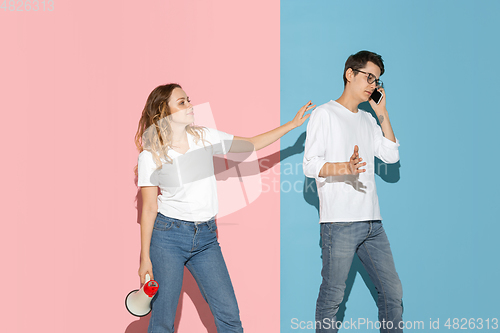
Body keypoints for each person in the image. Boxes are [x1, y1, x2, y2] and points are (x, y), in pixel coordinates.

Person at [134, 83, 315, 333]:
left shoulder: (204, 137)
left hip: (206, 239)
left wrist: (292, 125)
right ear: (164, 112)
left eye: (189, 100)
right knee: (163, 319)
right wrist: (145, 258)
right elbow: (148, 208)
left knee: (229, 315)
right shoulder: (150, 155)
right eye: (182, 102)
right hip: (168, 238)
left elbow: (250, 144)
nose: (190, 105)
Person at [303, 50, 403, 333]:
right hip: (340, 223)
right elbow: (310, 165)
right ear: (350, 74)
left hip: (372, 222)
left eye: (378, 80)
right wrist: (344, 167)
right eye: (369, 77)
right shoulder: (324, 114)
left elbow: (391, 155)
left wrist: (381, 114)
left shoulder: (368, 120)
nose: (373, 84)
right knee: (332, 298)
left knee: (393, 293)